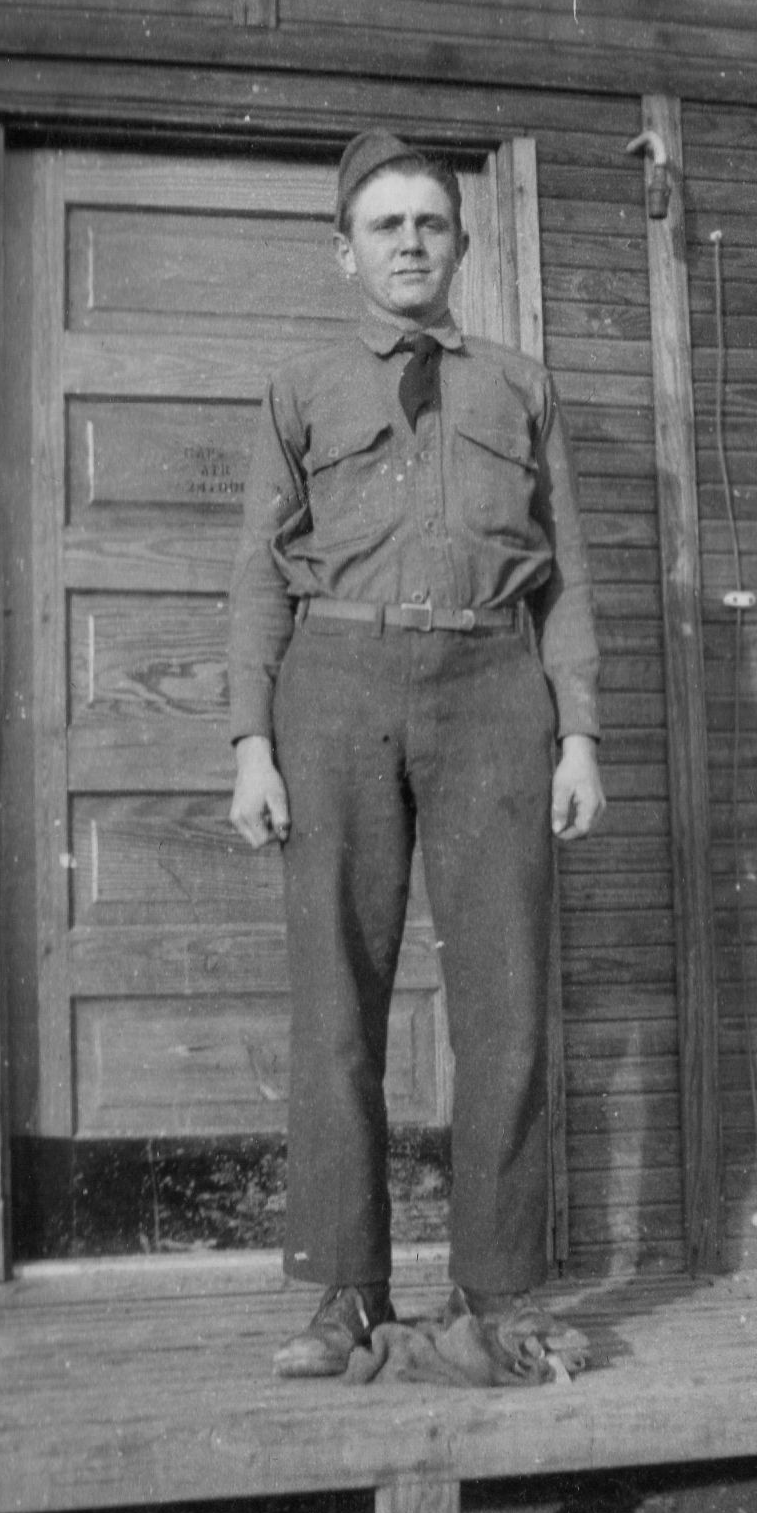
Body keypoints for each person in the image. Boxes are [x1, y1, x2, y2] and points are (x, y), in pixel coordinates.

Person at [227, 128, 605, 1377]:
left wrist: (578, 734)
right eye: (383, 225)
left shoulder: (521, 388)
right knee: (336, 999)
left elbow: (565, 580)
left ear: (459, 244)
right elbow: (254, 580)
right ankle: (344, 1295)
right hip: (333, 689)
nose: (407, 243)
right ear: (344, 252)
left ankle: (496, 1297)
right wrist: (250, 743)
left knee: (505, 1005)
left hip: (493, 690)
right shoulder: (298, 388)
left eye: (428, 224)